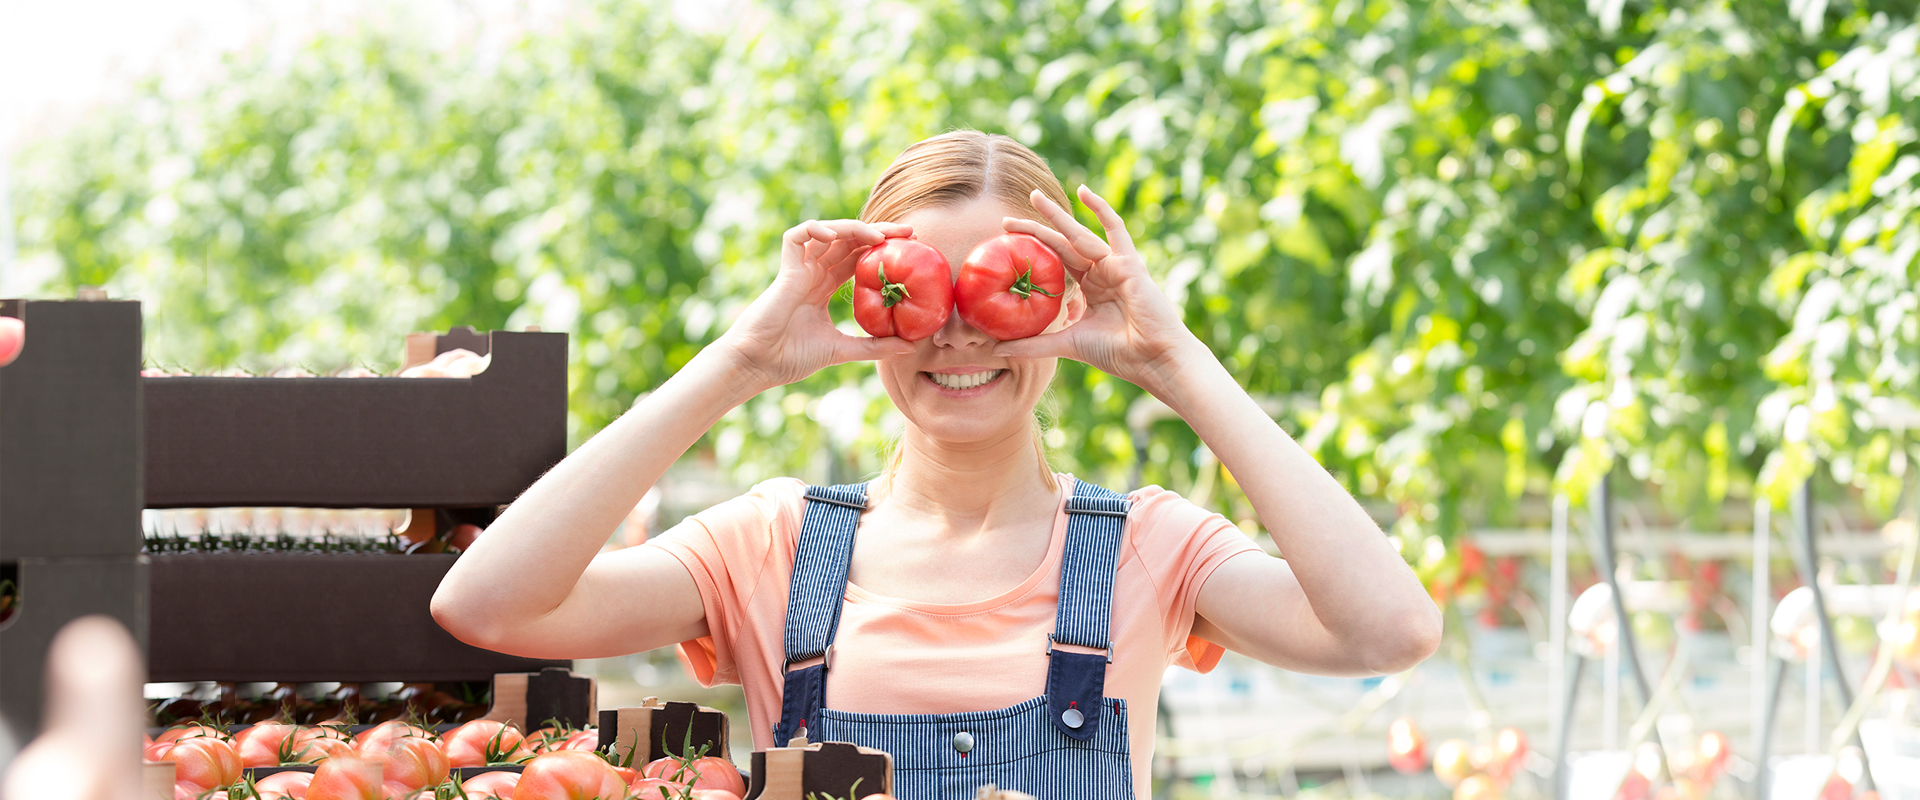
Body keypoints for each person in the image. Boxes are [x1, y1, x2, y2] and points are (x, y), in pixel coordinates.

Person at [433, 131, 1441, 798]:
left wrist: (1177, 362)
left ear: (1063, 307)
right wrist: (735, 362)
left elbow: (1389, 628)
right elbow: (491, 607)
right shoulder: (776, 540)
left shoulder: (1150, 543)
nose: (960, 335)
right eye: (916, 293)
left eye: (1004, 291)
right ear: (865, 300)